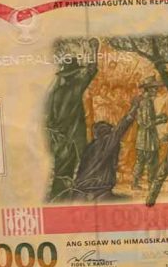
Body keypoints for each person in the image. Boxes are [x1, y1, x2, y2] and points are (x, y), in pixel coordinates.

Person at [45, 37, 99, 201]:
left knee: (62, 171)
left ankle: (58, 198)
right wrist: (94, 49)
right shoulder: (76, 87)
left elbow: (49, 120)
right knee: (81, 167)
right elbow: (92, 70)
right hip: (73, 139)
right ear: (75, 75)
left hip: (60, 140)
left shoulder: (56, 93)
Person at [72, 99, 140, 201]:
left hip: (79, 192)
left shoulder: (90, 147)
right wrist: (134, 108)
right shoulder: (106, 143)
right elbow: (121, 128)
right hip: (98, 192)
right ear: (106, 134)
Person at [132, 75, 168, 190]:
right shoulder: (147, 102)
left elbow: (147, 120)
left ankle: (135, 183)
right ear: (148, 89)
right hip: (148, 138)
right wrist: (161, 120)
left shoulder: (143, 100)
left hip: (142, 137)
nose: (156, 90)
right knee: (152, 161)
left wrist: (159, 116)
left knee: (141, 161)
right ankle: (150, 184)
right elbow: (147, 123)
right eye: (154, 87)